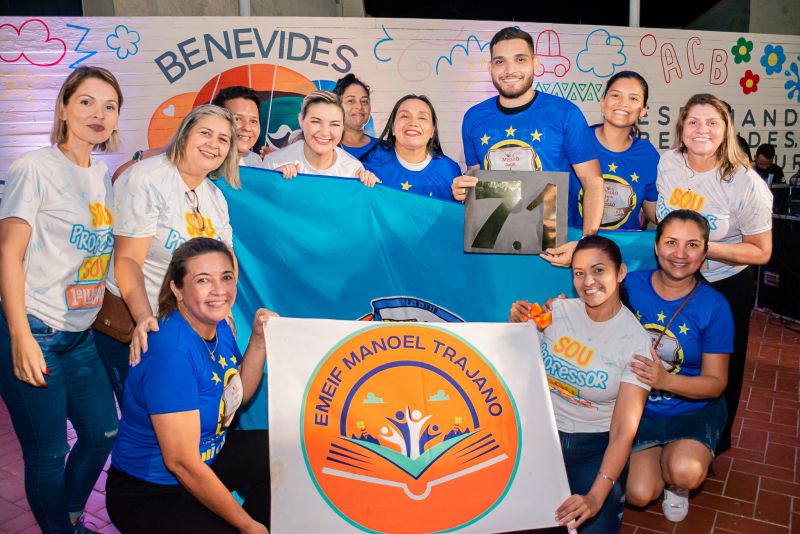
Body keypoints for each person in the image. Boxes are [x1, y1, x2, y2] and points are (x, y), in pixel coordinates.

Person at [0, 66, 122, 533]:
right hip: (36, 327)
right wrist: (20, 337)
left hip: (79, 333)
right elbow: (8, 254)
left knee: (102, 432)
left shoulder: (102, 175)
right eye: (86, 102)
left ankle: (67, 518)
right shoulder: (34, 167)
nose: (98, 113)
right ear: (64, 108)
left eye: (109, 106)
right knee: (49, 452)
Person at [106, 237, 274, 533]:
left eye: (226, 277)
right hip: (150, 492)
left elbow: (238, 396)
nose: (219, 290)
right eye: (203, 280)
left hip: (207, 461)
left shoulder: (217, 325)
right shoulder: (170, 350)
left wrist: (258, 340)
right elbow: (181, 462)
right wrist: (247, 525)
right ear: (177, 289)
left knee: (283, 453)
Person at [94, 104, 240, 404]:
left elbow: (227, 259)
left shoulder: (215, 196)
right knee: (152, 422)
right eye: (205, 133)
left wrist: (223, 309)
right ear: (184, 135)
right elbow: (127, 260)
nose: (213, 144)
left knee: (189, 418)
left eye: (223, 139)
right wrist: (144, 319)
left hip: (188, 331)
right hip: (140, 326)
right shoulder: (146, 179)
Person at [655, 93, 773, 454]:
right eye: (693, 121)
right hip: (673, 276)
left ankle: (710, 442)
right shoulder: (668, 163)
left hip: (724, 283)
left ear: (726, 130)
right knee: (667, 350)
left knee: (720, 365)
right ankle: (660, 429)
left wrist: (702, 248)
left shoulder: (745, 182)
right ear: (681, 129)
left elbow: (761, 250)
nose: (701, 129)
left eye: (711, 122)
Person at [509, 236, 651, 533]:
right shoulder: (557, 311)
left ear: (620, 272)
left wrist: (596, 496)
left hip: (594, 450)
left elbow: (623, 432)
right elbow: (520, 366)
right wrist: (516, 327)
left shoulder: (636, 343)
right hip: (540, 439)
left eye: (598, 270)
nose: (588, 282)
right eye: (579, 273)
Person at [453, 27, 604, 263]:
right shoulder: (473, 118)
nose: (509, 69)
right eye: (500, 61)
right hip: (494, 247)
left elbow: (593, 182)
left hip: (554, 250)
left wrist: (586, 244)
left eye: (520, 59)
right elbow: (475, 178)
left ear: (535, 63)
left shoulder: (565, 113)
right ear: (490, 67)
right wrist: (463, 191)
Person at [624, 209, 733, 522]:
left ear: (705, 252)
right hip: (639, 410)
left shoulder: (714, 306)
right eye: (671, 242)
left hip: (692, 410)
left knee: (684, 471)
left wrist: (665, 381)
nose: (680, 254)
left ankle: (678, 482)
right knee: (638, 493)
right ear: (656, 246)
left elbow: (716, 382)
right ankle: (659, 455)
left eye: (692, 245)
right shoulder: (629, 285)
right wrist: (553, 308)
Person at [568, 71, 659, 231]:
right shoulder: (577, 142)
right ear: (603, 102)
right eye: (616, 95)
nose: (623, 103)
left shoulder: (647, 155)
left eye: (633, 98)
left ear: (643, 111)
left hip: (624, 245)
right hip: (576, 243)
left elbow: (655, 213)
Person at [263, 90, 378, 186]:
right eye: (316, 122)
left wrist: (371, 185)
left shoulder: (353, 170)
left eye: (334, 124)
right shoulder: (274, 163)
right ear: (301, 120)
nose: (324, 133)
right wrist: (271, 181)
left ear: (343, 127)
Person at [361, 94, 462, 200]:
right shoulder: (370, 165)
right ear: (393, 128)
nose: (413, 123)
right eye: (404, 116)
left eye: (422, 118)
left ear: (432, 131)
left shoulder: (450, 170)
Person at [212, 85, 268, 168]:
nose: (247, 128)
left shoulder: (255, 161)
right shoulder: (203, 163)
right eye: (237, 119)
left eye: (253, 121)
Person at [332, 74, 378, 159]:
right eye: (351, 101)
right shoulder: (326, 147)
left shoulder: (384, 148)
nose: (359, 106)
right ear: (337, 106)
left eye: (364, 101)